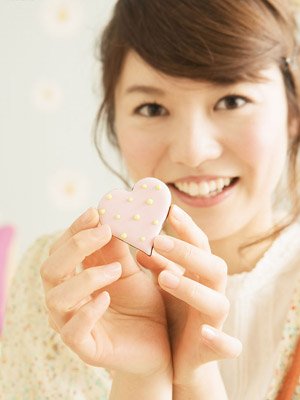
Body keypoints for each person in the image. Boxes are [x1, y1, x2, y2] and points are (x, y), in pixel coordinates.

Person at [1, 0, 300, 398]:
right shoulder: (60, 281)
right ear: (114, 121)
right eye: (153, 107)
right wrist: (141, 378)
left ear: (292, 112)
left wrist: (195, 381)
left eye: (232, 101)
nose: (193, 151)